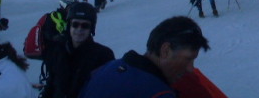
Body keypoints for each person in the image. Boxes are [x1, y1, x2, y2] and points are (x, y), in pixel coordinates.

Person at [78, 16, 210, 98]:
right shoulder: (158, 93)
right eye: (188, 59)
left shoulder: (105, 69)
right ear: (165, 50)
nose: (190, 69)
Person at [41, 2, 114, 98]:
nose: (79, 29)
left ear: (91, 28)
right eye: (75, 24)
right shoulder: (58, 51)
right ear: (69, 26)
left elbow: (108, 90)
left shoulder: (103, 55)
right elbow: (50, 86)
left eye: (85, 26)